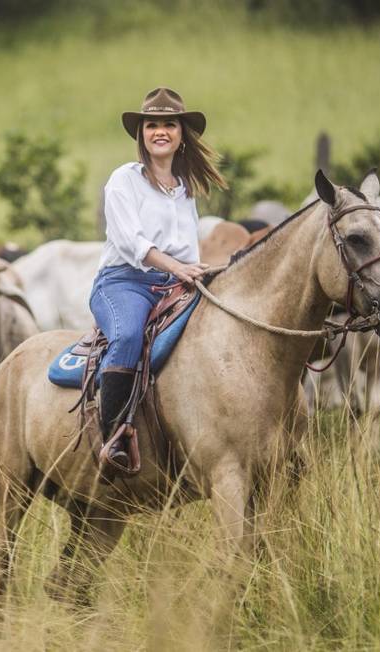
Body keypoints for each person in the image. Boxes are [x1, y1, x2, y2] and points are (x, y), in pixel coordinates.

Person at [90, 87, 227, 472]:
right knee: (129, 335)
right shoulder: (123, 180)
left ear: (182, 133)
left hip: (174, 285)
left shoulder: (184, 190)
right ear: (142, 134)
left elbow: (188, 250)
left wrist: (198, 272)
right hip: (124, 282)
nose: (160, 131)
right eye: (152, 125)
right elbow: (130, 241)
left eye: (169, 124)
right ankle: (113, 437)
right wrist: (177, 268)